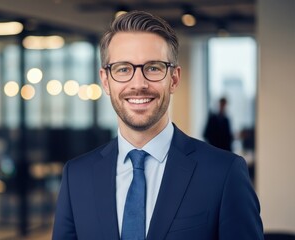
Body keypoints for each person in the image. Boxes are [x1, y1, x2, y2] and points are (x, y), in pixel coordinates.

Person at [52, 11, 263, 240]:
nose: (139, 84)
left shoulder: (224, 173)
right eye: (123, 69)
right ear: (105, 80)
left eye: (153, 68)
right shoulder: (77, 177)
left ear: (173, 78)